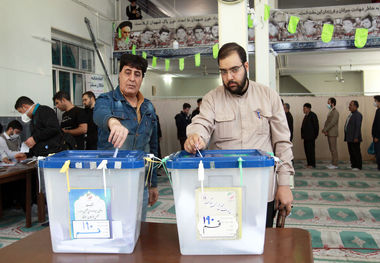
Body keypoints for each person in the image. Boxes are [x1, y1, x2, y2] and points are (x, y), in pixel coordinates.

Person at [184, 42, 294, 227]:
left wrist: (284, 184)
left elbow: (282, 143)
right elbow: (201, 123)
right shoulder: (212, 98)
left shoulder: (268, 96)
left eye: (234, 70)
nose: (229, 77)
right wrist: (195, 136)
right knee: (224, 245)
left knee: (262, 245)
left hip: (262, 190)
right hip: (223, 191)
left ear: (246, 66)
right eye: (223, 72)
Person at [93, 53, 159, 220]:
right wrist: (113, 122)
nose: (132, 78)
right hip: (111, 182)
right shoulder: (105, 100)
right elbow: (99, 114)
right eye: (127, 72)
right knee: (113, 228)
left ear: (142, 78)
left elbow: (152, 147)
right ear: (119, 75)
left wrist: (153, 184)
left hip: (140, 183)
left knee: (138, 229)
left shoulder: (149, 108)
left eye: (137, 74)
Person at [344, 100, 362, 171]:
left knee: (356, 152)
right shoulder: (351, 114)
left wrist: (356, 137)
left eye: (351, 105)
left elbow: (358, 127)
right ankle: (353, 165)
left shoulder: (358, 115)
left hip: (355, 138)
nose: (349, 106)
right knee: (351, 152)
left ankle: (358, 166)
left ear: (355, 106)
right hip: (350, 137)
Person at [322, 98, 339, 169]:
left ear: (332, 103)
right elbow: (328, 121)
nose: (327, 104)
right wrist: (325, 130)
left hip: (333, 133)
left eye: (328, 103)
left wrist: (325, 129)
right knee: (331, 148)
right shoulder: (331, 111)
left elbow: (332, 123)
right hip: (329, 132)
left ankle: (335, 164)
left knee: (333, 149)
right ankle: (333, 162)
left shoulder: (335, 112)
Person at [301, 103, 319, 168]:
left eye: (304, 108)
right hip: (306, 137)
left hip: (311, 137)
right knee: (307, 151)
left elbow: (316, 126)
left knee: (311, 151)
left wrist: (315, 136)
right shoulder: (306, 116)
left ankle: (312, 164)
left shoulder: (313, 115)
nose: (303, 110)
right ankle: (309, 163)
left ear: (309, 109)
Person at [372, 96, 380, 170]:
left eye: (375, 101)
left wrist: (377, 136)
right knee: (377, 152)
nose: (374, 102)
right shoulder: (378, 110)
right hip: (376, 135)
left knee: (379, 152)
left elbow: (379, 125)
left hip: (378, 136)